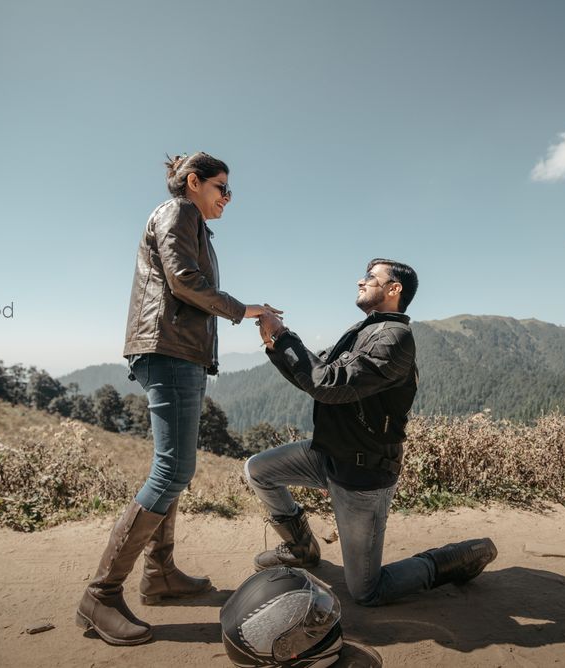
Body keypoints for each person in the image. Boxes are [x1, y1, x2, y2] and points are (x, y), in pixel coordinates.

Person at [76, 152, 281, 646]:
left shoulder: (192, 221)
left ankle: (161, 574)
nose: (227, 199)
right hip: (168, 350)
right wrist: (247, 309)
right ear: (194, 182)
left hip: (175, 351)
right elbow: (185, 283)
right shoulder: (179, 212)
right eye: (222, 188)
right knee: (172, 471)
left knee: (170, 468)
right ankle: (100, 596)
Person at [246, 258, 497, 607]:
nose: (360, 281)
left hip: (362, 473)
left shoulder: (394, 338)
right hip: (328, 454)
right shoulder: (368, 329)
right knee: (259, 470)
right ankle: (301, 548)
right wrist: (277, 347)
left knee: (366, 590)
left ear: (394, 289)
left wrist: (283, 335)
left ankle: (451, 560)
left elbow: (327, 384)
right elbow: (320, 375)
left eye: (369, 277)